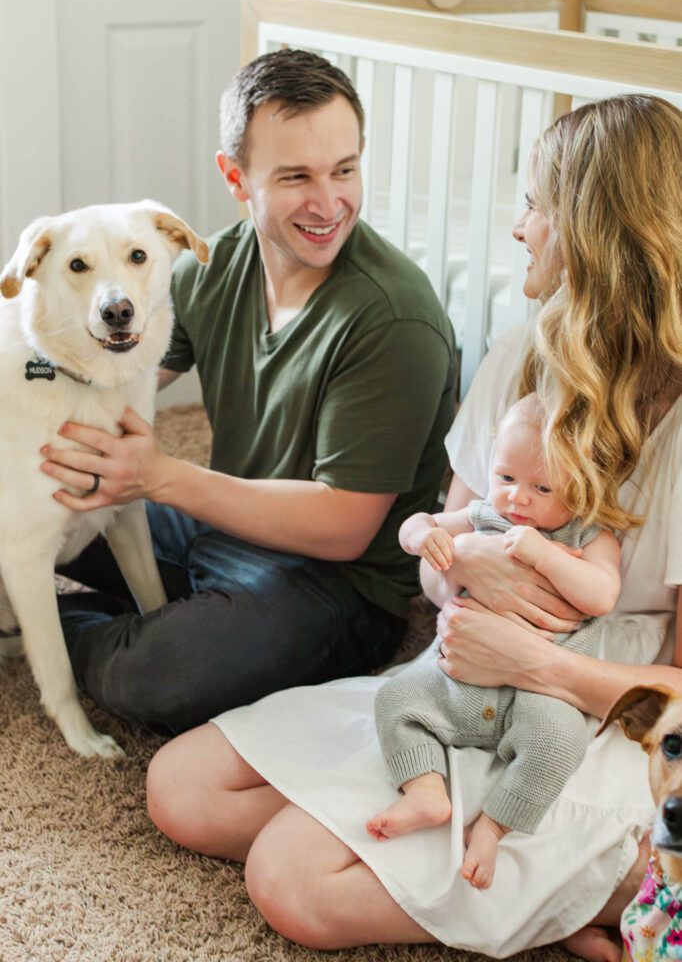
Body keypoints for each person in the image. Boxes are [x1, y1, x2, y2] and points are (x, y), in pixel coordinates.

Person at [145, 92, 681, 961]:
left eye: (536, 206)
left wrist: (536, 662)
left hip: (599, 722)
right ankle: (557, 894)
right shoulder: (520, 355)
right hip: (463, 675)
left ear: (591, 229)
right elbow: (435, 565)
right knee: (183, 787)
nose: (518, 229)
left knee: (292, 880)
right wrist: (465, 563)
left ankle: (604, 872)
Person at [41, 48, 456, 734]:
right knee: (35, 479)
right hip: (224, 525)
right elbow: (114, 370)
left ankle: (59, 629)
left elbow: (344, 526)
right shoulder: (213, 266)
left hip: (335, 589)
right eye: (297, 177)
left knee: (160, 677)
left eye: (345, 171)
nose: (329, 204)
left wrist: (159, 477)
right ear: (235, 177)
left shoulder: (394, 317)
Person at [367, 392, 621, 893]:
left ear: (582, 488)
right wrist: (423, 536)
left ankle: (494, 826)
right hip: (458, 677)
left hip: (540, 696)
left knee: (560, 744)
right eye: (506, 477)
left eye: (541, 487)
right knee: (395, 696)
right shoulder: (486, 516)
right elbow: (421, 522)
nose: (516, 498)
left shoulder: (588, 535)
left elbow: (604, 594)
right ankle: (425, 791)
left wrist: (545, 557)